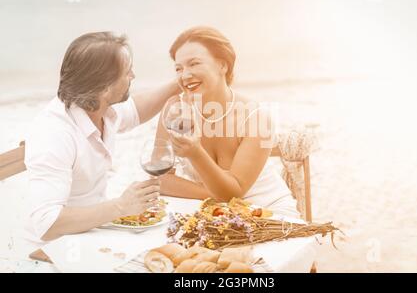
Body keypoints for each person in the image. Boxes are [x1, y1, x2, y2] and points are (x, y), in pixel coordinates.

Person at [24, 32, 180, 243]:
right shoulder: (54, 134)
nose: (133, 76)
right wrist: (121, 206)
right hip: (58, 245)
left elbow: (137, 110)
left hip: (94, 231)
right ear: (104, 87)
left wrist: (179, 82)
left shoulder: (101, 109)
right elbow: (46, 223)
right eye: (127, 72)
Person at [155, 26, 299, 217]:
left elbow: (233, 192)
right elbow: (160, 179)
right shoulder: (174, 111)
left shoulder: (256, 117)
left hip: (267, 212)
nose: (185, 75)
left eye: (194, 63)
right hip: (212, 212)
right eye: (178, 68)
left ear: (223, 66)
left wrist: (195, 153)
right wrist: (211, 195)